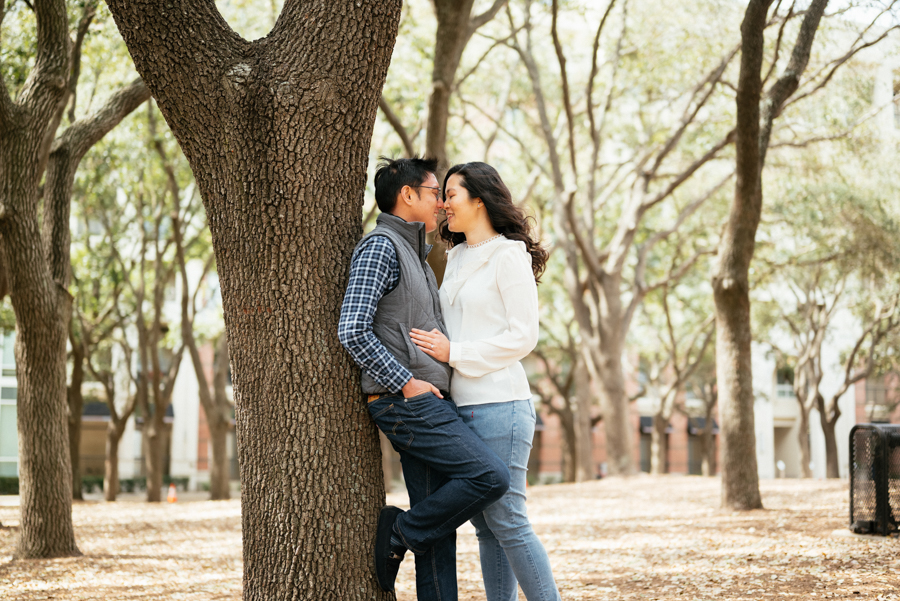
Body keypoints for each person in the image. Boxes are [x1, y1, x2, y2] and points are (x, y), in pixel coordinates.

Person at [337, 156, 510, 601]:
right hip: (406, 402)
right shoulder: (380, 247)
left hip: (424, 399)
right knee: (490, 476)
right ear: (407, 195)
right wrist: (405, 382)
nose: (441, 203)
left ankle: (411, 532)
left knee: (439, 540)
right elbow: (351, 327)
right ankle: (399, 531)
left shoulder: (416, 253)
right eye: (435, 192)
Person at [409, 162, 562, 601]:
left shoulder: (508, 255)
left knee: (508, 520)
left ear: (479, 199)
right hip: (461, 405)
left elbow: (523, 336)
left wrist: (455, 353)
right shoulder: (455, 257)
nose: (443, 204)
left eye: (451, 194)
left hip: (501, 404)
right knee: (487, 527)